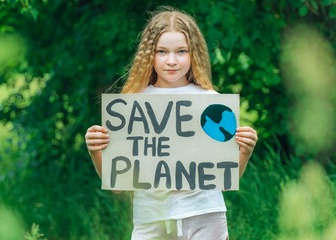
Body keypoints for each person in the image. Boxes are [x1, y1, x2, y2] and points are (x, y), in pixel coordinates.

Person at [85, 7, 258, 240]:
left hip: (205, 215)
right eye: (162, 52)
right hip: (151, 220)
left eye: (181, 51)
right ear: (149, 54)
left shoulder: (212, 104)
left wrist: (245, 152)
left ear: (193, 53)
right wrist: (95, 150)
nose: (172, 60)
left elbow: (225, 181)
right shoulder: (132, 105)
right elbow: (118, 185)